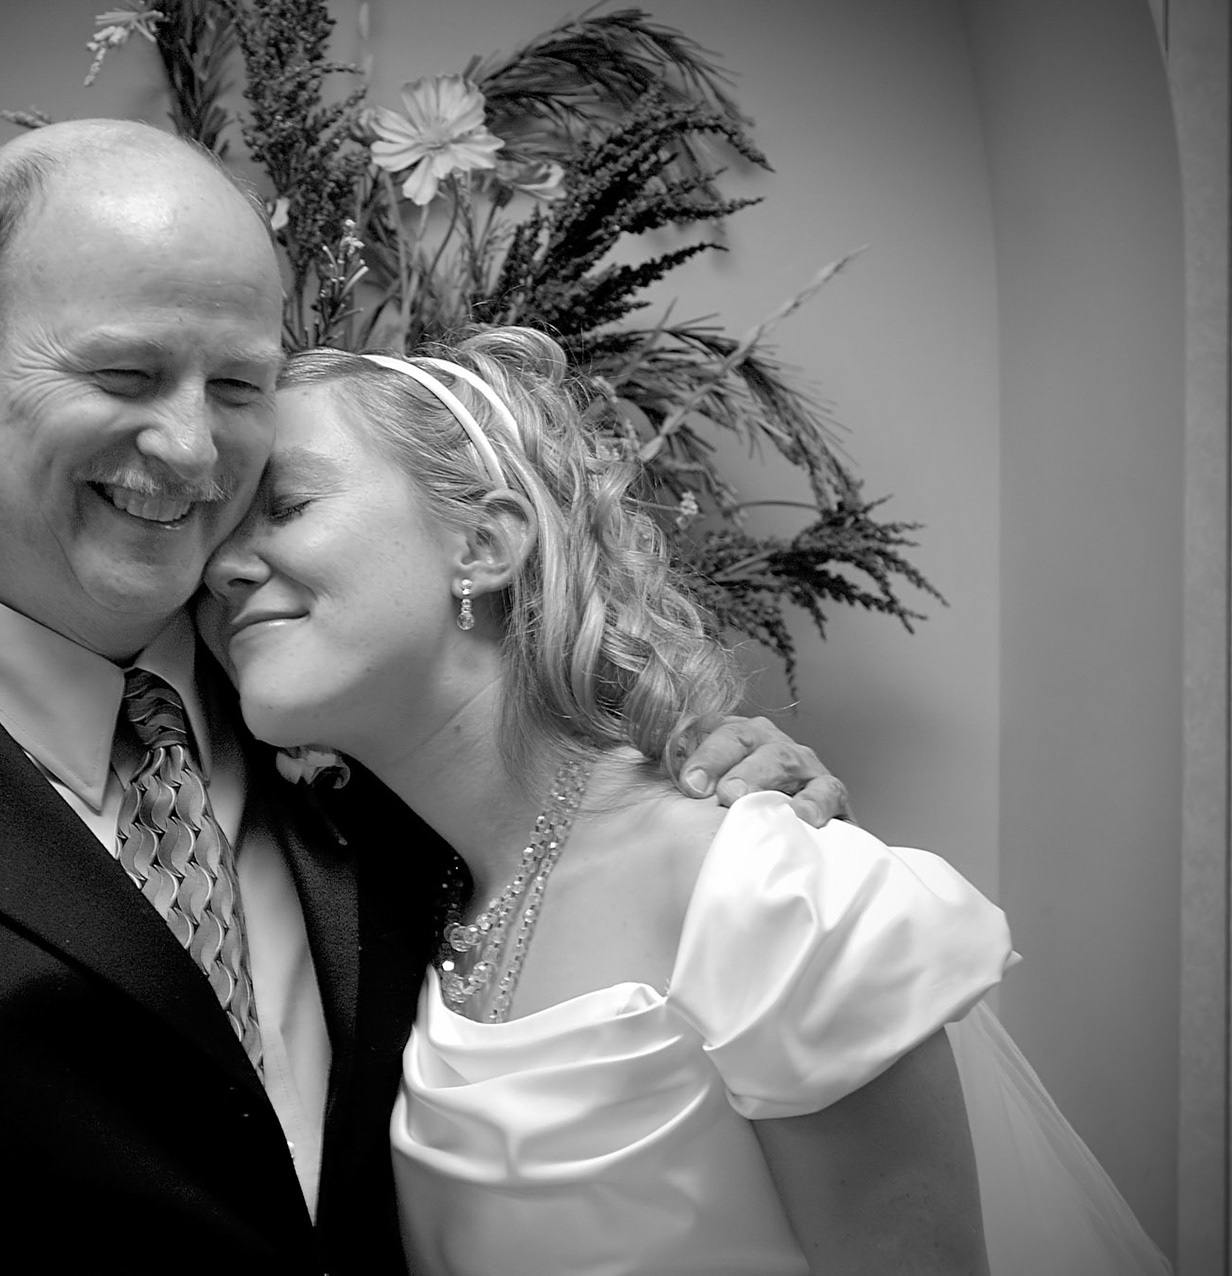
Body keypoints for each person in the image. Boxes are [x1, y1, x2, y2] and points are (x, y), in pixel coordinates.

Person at [0, 122, 842, 1274]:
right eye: (125, 375)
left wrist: (696, 790)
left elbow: (559, 875)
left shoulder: (355, 709)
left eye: (240, 387)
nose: (193, 448)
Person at [198, 326, 1172, 1275]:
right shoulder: (405, 887)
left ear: (484, 543)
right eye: (216, 534)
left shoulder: (767, 891)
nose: (223, 568)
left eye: (285, 506)